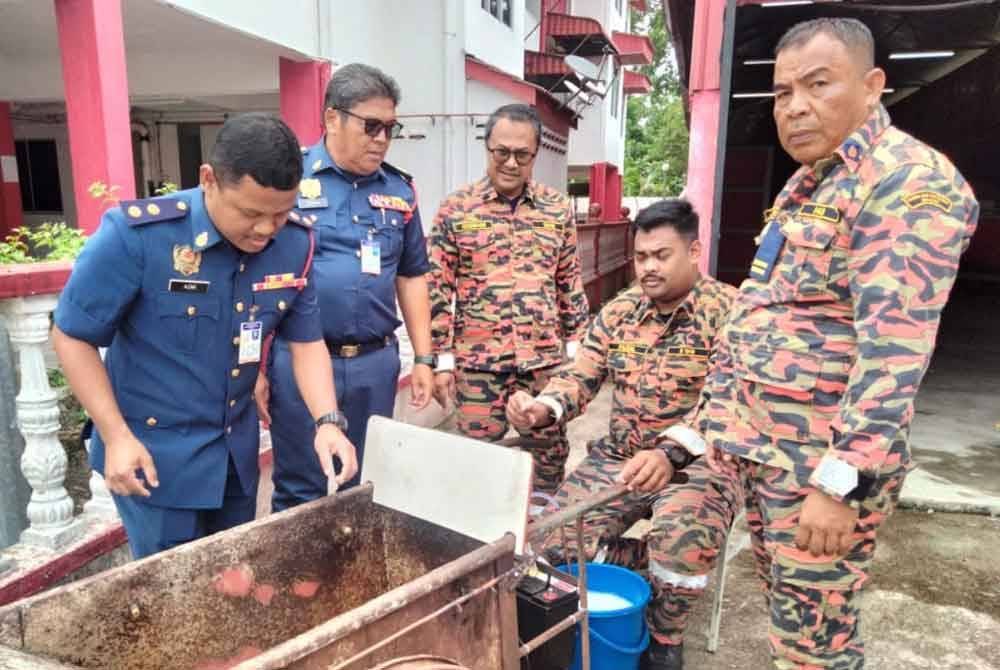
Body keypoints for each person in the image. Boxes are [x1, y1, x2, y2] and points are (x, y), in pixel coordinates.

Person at [661, 18, 979, 669]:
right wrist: (710, 428)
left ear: (872, 87)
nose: (795, 107)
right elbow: (758, 315)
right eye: (781, 93)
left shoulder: (906, 184)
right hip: (768, 452)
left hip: (820, 465)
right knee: (793, 623)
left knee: (814, 647)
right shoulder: (809, 184)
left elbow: (894, 352)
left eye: (817, 84)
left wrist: (839, 483)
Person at [52, 113, 357, 559]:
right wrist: (115, 435)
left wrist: (328, 422)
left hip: (234, 457)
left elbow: (306, 340)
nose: (265, 229)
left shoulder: (294, 244)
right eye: (251, 213)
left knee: (230, 580)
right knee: (169, 594)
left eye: (280, 212)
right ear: (208, 180)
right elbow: (72, 336)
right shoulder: (139, 237)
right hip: (154, 459)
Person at [507, 199, 738, 670]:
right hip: (620, 460)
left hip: (700, 466)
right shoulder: (621, 311)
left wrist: (672, 452)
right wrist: (542, 407)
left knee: (680, 539)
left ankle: (664, 637)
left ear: (694, 251)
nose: (648, 267)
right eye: (641, 256)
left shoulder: (731, 312)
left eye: (662, 255)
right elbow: (581, 374)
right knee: (547, 544)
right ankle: (644, 565)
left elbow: (729, 398)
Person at [255, 63, 433, 507]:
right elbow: (255, 277)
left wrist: (425, 358)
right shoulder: (288, 181)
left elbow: (412, 275)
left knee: (366, 484)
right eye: (371, 126)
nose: (381, 139)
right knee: (300, 486)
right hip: (299, 361)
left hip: (375, 363)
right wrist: (256, 367)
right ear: (332, 118)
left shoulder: (400, 192)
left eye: (390, 128)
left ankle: (353, 574)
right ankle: (299, 578)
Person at [427, 103, 589, 495]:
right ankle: (484, 548)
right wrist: (442, 362)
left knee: (547, 463)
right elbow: (437, 289)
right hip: (479, 365)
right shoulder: (456, 209)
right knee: (479, 466)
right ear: (487, 148)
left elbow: (569, 281)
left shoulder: (555, 210)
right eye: (502, 152)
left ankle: (539, 543)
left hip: (542, 365)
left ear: (535, 154)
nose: (511, 163)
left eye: (522, 154)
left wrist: (578, 354)